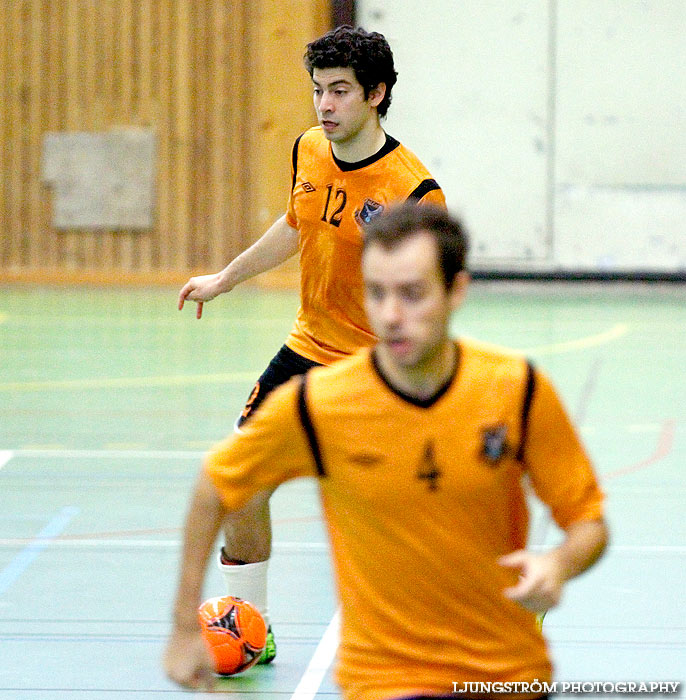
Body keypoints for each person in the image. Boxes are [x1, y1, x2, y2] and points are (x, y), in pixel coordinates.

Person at [164, 203, 609, 699]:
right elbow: (215, 485)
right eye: (377, 294)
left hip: (504, 676)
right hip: (383, 681)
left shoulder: (517, 390)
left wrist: (560, 564)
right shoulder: (321, 404)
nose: (392, 315)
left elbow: (588, 522)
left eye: (413, 294)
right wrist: (184, 629)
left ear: (456, 290)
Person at [176, 26, 446, 662]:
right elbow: (298, 222)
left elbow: (432, 299)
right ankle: (251, 626)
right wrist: (226, 278)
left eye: (341, 92)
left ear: (376, 95)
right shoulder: (308, 149)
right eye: (318, 91)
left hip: (377, 369)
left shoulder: (413, 193)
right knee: (241, 480)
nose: (325, 106)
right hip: (306, 350)